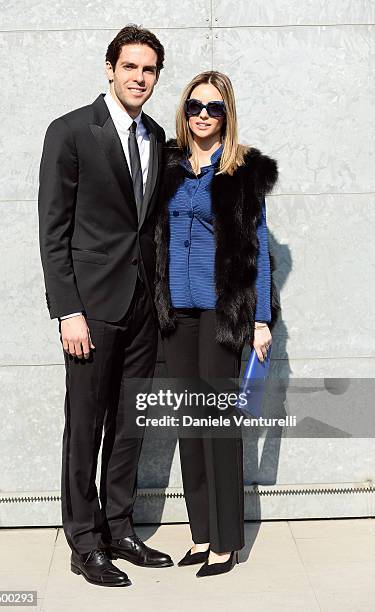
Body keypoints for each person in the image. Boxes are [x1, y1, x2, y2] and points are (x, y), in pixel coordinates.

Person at [38, 24, 173, 588]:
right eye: (131, 67)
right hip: (91, 309)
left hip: (143, 305)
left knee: (129, 425)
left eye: (149, 70)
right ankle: (84, 539)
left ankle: (120, 528)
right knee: (86, 424)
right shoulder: (71, 132)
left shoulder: (156, 134)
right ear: (110, 69)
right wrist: (67, 310)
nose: (140, 78)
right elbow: (54, 230)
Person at [154, 71, 280, 577]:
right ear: (184, 112)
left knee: (220, 428)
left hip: (220, 314)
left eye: (214, 108)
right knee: (190, 426)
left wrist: (262, 319)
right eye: (194, 107)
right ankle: (201, 533)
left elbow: (260, 247)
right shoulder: (168, 165)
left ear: (227, 114)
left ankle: (227, 542)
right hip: (176, 313)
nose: (203, 116)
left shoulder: (243, 172)